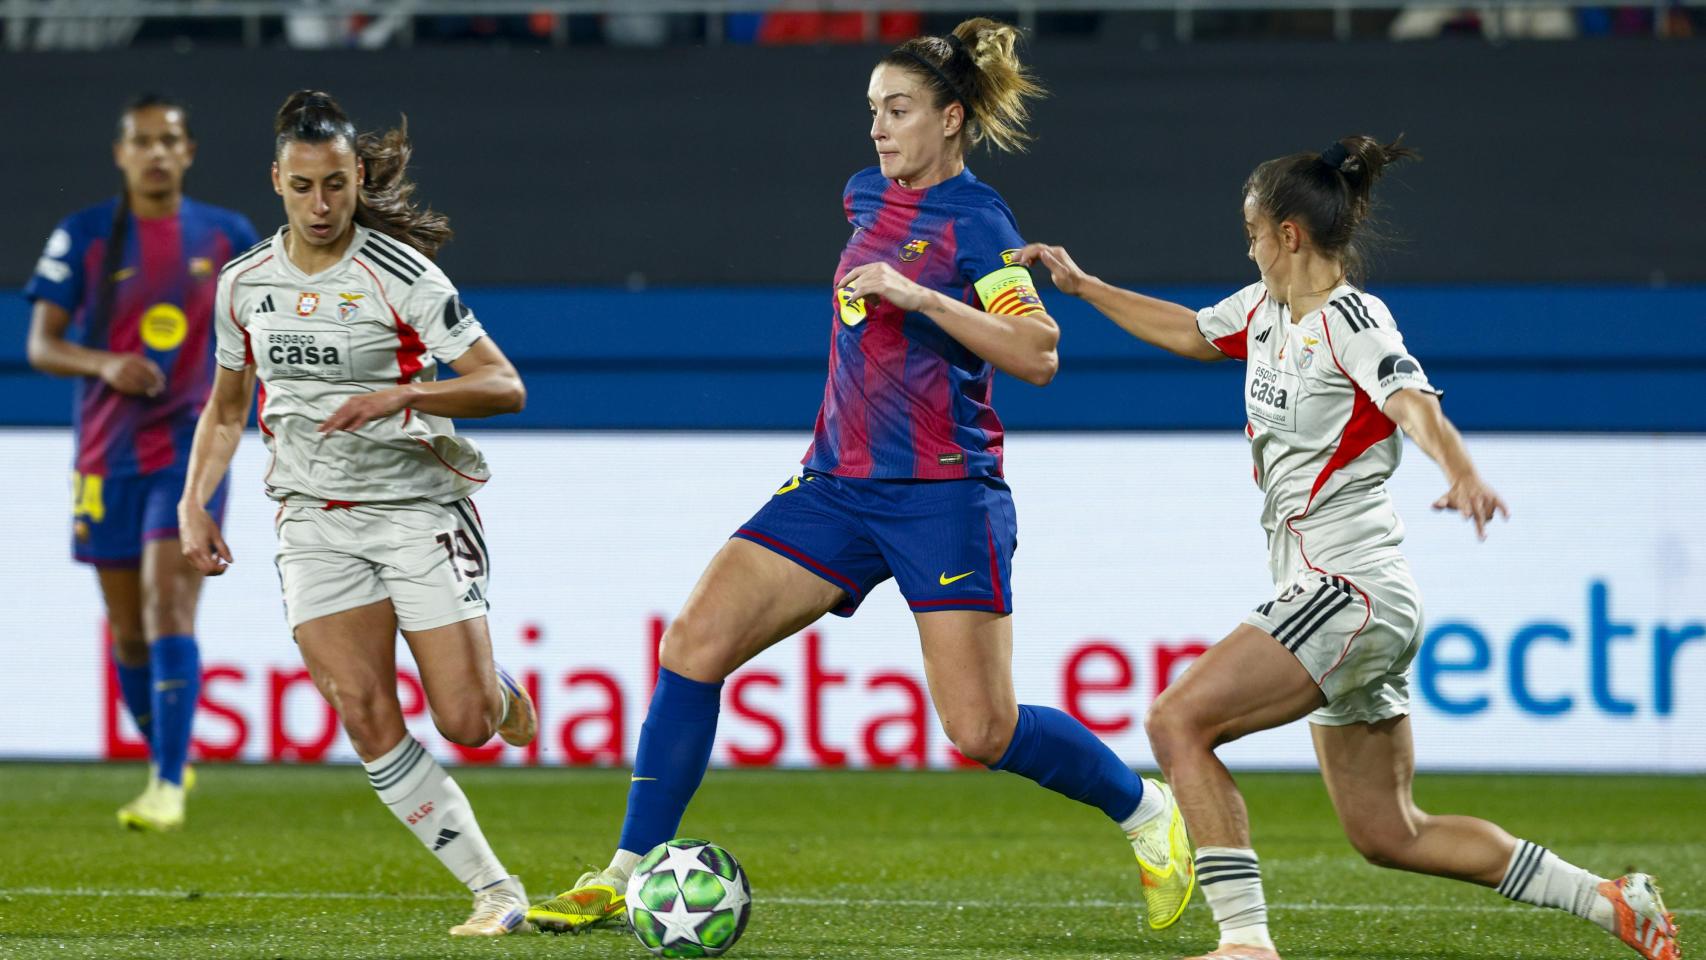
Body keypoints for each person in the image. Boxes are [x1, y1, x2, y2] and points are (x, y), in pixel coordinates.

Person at [527, 18, 1195, 938]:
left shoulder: (978, 222)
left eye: (900, 110)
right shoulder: (863, 197)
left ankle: (1148, 811)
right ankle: (624, 871)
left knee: (981, 731)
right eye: (872, 112)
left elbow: (1040, 354)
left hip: (943, 497)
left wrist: (925, 297)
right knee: (693, 644)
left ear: (951, 119)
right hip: (836, 487)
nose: (879, 129)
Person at [1017, 136, 1680, 960]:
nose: (1248, 245)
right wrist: (1083, 289)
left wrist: (1462, 470)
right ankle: (1613, 901)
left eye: (1253, 230)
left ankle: (1245, 943)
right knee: (1388, 832)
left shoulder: (1351, 319)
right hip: (1346, 598)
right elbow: (1190, 331)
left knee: (1176, 720)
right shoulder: (1263, 311)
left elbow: (1410, 399)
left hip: (1350, 588)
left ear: (1289, 233)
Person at [177, 90, 537, 937]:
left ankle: (492, 690)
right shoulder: (244, 286)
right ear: (277, 180)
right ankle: (495, 890)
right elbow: (229, 408)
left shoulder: (401, 275)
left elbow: (504, 385)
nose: (321, 205)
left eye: (336, 184)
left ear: (357, 175)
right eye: (303, 187)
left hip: (416, 506)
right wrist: (195, 503)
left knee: (465, 722)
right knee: (365, 709)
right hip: (311, 517)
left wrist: (402, 394)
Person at [24, 94, 258, 832]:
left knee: (168, 604)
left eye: (170, 140)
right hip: (107, 454)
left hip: (190, 450)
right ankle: (169, 756)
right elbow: (41, 344)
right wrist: (105, 365)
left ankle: (165, 784)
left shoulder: (229, 236)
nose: (156, 153)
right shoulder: (86, 235)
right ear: (121, 153)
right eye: (142, 141)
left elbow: (262, 331)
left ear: (188, 152)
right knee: (127, 631)